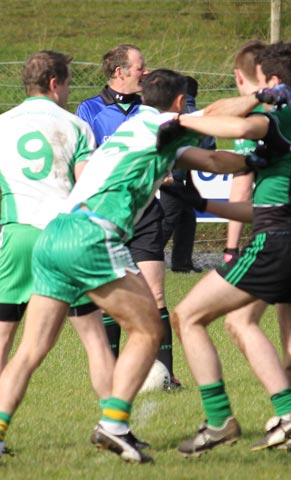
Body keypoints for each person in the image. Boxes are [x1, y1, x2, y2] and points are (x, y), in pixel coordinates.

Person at [0, 68, 255, 466]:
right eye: (187, 106)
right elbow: (220, 113)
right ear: (179, 103)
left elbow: (211, 159)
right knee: (148, 329)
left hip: (55, 235)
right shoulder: (165, 124)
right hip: (92, 235)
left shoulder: (141, 126)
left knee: (31, 349)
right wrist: (265, 99)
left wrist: (251, 161)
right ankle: (115, 425)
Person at [171, 42, 291, 461]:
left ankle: (237, 418)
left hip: (279, 240)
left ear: (272, 84)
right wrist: (201, 202)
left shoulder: (276, 116)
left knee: (190, 316)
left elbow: (228, 126)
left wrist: (177, 121)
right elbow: (237, 171)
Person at [0, 50, 115, 454]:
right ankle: (114, 424)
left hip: (19, 239)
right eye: (67, 83)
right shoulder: (76, 126)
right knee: (94, 339)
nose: (68, 91)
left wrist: (0, 231)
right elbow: (90, 190)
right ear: (54, 84)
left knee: (1, 340)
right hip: (65, 240)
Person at [76, 45, 179, 386]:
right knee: (110, 301)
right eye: (139, 67)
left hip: (146, 211)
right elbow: (83, 164)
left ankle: (167, 373)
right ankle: (116, 372)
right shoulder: (89, 110)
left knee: (156, 294)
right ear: (119, 72)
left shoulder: (150, 109)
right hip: (107, 214)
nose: (145, 72)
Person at [221, 40, 291, 412]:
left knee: (223, 319)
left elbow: (239, 179)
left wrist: (230, 248)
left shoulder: (267, 120)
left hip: (275, 238)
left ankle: (283, 413)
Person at [160, 75, 216, 274]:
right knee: (171, 218)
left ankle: (181, 262)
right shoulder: (199, 115)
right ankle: (148, 256)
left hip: (171, 174)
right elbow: (210, 144)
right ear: (196, 93)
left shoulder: (174, 112)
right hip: (181, 175)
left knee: (184, 217)